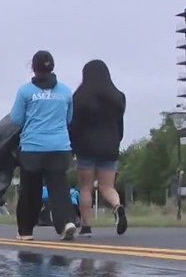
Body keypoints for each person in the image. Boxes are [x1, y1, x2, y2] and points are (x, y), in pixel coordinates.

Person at [10, 49, 77, 241]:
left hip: (33, 147)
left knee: (30, 190)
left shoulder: (25, 91)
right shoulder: (65, 91)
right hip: (60, 146)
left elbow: (16, 119)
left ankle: (25, 231)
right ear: (52, 67)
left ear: (33, 68)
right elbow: (69, 118)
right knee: (59, 186)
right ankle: (66, 223)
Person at [68, 58, 128, 237]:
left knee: (86, 187)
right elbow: (120, 125)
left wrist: (71, 147)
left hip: (86, 147)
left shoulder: (78, 98)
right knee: (107, 187)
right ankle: (118, 207)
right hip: (109, 147)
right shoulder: (118, 97)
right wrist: (116, 141)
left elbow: (73, 126)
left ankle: (86, 227)